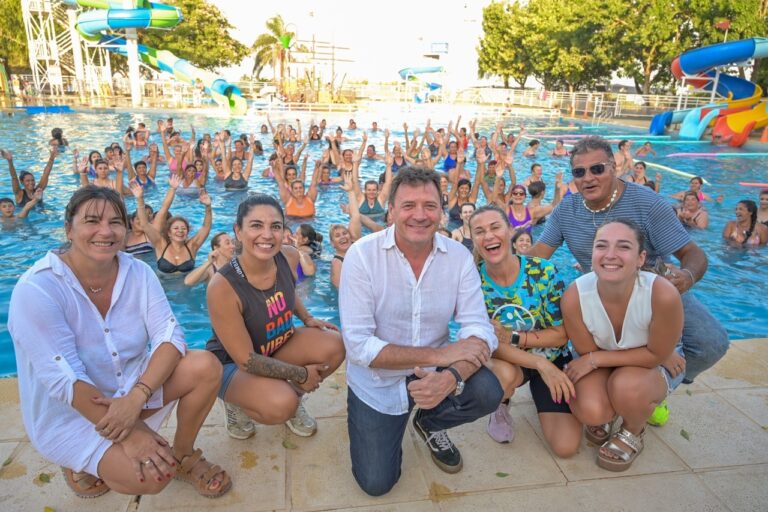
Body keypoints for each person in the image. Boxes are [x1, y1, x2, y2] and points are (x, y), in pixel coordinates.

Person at [8, 186, 231, 499]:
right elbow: (65, 380)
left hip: (130, 388)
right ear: (68, 228)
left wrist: (136, 397)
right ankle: (84, 459)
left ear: (126, 230)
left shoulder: (138, 273)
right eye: (92, 221)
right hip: (71, 413)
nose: (105, 231)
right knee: (153, 478)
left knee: (205, 365)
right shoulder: (37, 289)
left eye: (115, 222)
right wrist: (131, 435)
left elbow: (169, 336)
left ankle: (183, 455)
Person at [339, 167, 502, 496]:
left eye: (429, 205)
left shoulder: (458, 257)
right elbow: (358, 347)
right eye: (408, 205)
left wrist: (450, 377)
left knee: (487, 391)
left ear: (442, 211)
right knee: (376, 483)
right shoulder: (361, 256)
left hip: (435, 372)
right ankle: (387, 421)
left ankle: (430, 422)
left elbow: (480, 330)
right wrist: (442, 355)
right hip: (377, 383)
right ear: (391, 211)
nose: (419, 215)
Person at [528, 136, 728, 396]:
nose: (588, 177)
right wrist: (496, 264)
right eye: (579, 172)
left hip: (653, 289)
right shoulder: (567, 209)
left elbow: (692, 253)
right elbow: (536, 258)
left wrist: (686, 277)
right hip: (601, 297)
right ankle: (637, 370)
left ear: (614, 167)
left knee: (711, 343)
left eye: (597, 169)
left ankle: (661, 383)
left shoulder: (648, 203)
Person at [205, 194, 345, 440]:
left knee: (334, 344)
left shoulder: (288, 256)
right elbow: (247, 360)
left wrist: (307, 317)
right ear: (238, 231)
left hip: (275, 346)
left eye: (275, 226)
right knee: (281, 403)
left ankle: (291, 397)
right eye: (256, 225)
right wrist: (300, 375)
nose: (267, 235)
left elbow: (287, 291)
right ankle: (235, 401)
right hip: (234, 365)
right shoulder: (222, 286)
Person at [562, 220, 684, 471]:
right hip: (613, 357)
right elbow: (587, 351)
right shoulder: (575, 296)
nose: (610, 255)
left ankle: (634, 429)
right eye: (602, 246)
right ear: (593, 253)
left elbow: (654, 355)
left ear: (641, 258)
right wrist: (595, 359)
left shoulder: (661, 293)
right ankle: (615, 406)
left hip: (653, 363)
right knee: (591, 410)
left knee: (627, 387)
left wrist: (596, 360)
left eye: (623, 247)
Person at [470, 205, 581, 456]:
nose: (488, 236)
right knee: (501, 378)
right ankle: (502, 403)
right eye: (479, 231)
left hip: (553, 355)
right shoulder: (472, 283)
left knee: (565, 447)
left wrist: (517, 338)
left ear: (510, 230)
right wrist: (539, 364)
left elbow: (562, 333)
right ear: (474, 240)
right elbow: (491, 345)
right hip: (511, 361)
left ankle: (541, 393)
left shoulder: (543, 272)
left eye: (495, 227)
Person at [131, 182, 212, 274]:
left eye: (183, 228)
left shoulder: (192, 246)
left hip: (188, 287)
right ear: (169, 233)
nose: (180, 231)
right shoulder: (160, 245)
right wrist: (140, 199)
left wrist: (208, 206)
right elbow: (145, 224)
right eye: (176, 228)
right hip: (163, 287)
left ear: (187, 232)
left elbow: (206, 227)